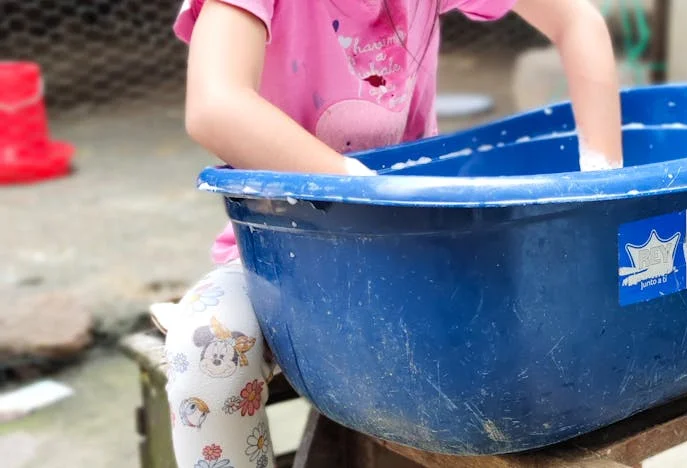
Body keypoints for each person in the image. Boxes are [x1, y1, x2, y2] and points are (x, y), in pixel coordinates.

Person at [156, 1, 623, 467]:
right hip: (279, 257)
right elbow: (216, 107)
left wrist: (605, 190)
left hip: (417, 253)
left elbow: (577, 20)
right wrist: (364, 191)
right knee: (203, 354)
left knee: (548, 342)